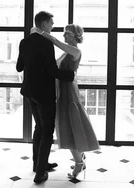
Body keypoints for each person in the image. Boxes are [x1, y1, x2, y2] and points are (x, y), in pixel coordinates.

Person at [31, 23, 99, 179]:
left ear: (74, 36)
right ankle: (79, 158)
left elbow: (56, 42)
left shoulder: (75, 51)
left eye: (67, 33)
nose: (64, 36)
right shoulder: (67, 52)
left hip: (69, 92)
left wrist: (40, 32)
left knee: (70, 126)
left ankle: (79, 163)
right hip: (62, 90)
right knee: (68, 125)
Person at [16, 11, 75, 184]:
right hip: (44, 94)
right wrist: (71, 75)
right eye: (51, 23)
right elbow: (53, 71)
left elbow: (19, 67)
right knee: (47, 131)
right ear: (43, 24)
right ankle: (40, 172)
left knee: (39, 128)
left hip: (29, 92)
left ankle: (38, 164)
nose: (52, 26)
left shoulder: (24, 42)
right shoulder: (46, 44)